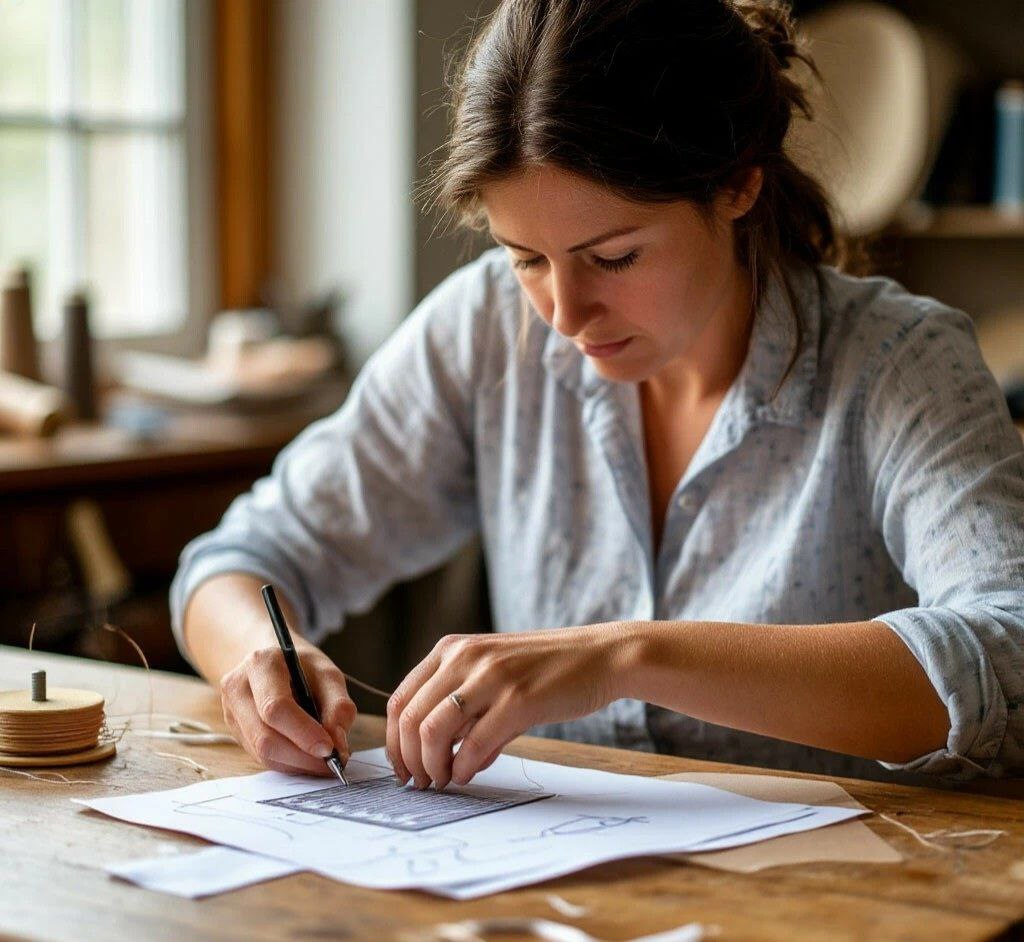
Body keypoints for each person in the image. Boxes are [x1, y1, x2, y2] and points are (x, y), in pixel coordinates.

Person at [172, 0, 1024, 790]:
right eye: (526, 258)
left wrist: (625, 656)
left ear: (738, 183)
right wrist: (258, 660)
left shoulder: (897, 362)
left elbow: (1009, 651)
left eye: (614, 257)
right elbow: (241, 559)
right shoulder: (485, 328)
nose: (566, 315)